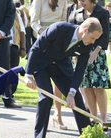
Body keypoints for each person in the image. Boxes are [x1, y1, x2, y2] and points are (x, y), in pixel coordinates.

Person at [25, 17, 102, 138]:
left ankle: (87, 137)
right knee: (46, 98)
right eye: (93, 38)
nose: (93, 42)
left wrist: (71, 93)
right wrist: (29, 74)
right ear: (84, 30)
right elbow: (36, 47)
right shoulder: (59, 28)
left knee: (77, 98)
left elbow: (80, 70)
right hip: (41, 64)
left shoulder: (87, 45)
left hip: (61, 67)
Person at [30, 0, 68, 130]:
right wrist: (44, 35)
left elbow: (64, 21)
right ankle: (41, 125)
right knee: (45, 93)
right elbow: (34, 22)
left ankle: (58, 115)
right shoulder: (38, 1)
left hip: (58, 44)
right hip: (42, 43)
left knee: (61, 83)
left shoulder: (63, 1)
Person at [73, 0, 111, 128]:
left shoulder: (102, 12)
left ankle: (104, 120)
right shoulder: (77, 13)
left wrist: (96, 51)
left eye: (84, 0)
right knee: (87, 87)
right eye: (80, 0)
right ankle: (94, 119)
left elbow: (105, 35)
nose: (81, 2)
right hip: (81, 55)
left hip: (97, 54)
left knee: (98, 88)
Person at [0, 0, 20, 108]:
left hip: (2, 39)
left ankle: (7, 98)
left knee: (4, 68)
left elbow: (10, 16)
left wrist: (0, 33)